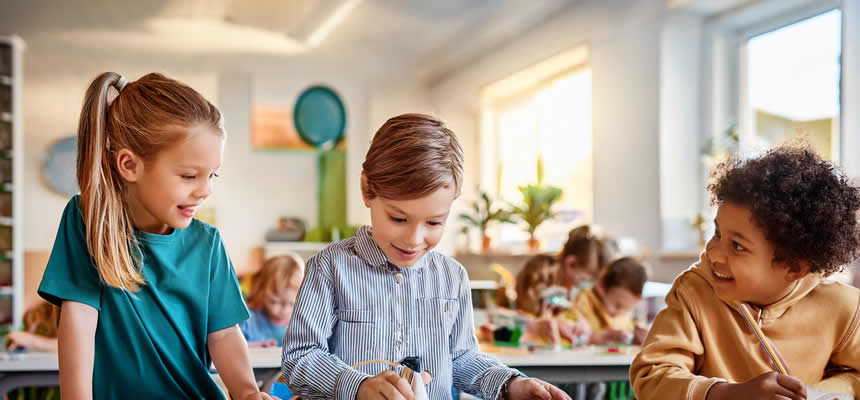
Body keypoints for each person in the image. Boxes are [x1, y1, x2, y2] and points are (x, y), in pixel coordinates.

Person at [282, 113, 570, 400]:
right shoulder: (330, 268)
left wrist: (510, 385)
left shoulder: (452, 277)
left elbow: (460, 358)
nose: (414, 239)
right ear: (367, 190)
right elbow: (300, 357)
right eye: (398, 218)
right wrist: (357, 386)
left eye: (434, 223)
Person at [37, 72, 276, 399]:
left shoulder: (208, 244)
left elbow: (222, 334)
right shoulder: (87, 221)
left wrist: (248, 393)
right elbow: (78, 321)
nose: (205, 191)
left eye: (212, 176)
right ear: (130, 165)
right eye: (189, 175)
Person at [630, 144, 860, 399]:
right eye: (717, 233)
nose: (713, 253)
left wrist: (817, 393)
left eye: (737, 246)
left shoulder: (844, 308)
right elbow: (652, 376)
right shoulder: (694, 292)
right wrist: (728, 394)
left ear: (794, 267)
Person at [571, 257, 648, 345]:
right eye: (617, 306)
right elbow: (570, 335)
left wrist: (634, 340)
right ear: (602, 285)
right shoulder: (582, 301)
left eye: (627, 309)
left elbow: (626, 333)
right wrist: (591, 338)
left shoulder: (623, 315)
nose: (619, 313)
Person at [240, 253, 304, 347]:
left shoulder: (303, 323)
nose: (284, 310)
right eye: (274, 302)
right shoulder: (248, 320)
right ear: (261, 291)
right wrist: (255, 346)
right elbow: (231, 347)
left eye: (292, 304)